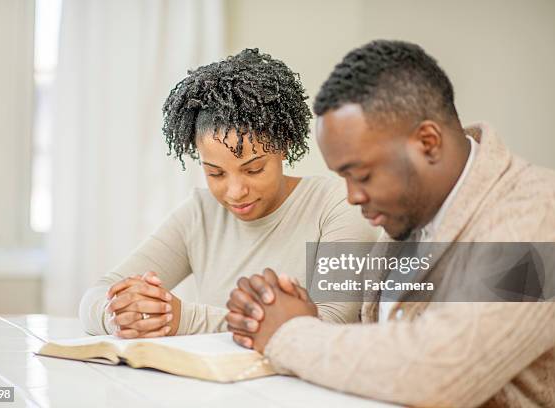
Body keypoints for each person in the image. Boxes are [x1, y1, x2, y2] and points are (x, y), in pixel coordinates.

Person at [226, 40, 555, 407]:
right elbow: (388, 349)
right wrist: (301, 317)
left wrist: (291, 332)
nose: (352, 196)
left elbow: (438, 372)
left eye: (363, 175)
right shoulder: (410, 215)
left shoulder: (540, 217)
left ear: (428, 142)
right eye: (343, 177)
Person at [78, 48, 378, 339]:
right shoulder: (200, 214)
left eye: (254, 169)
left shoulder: (338, 204)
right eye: (215, 173)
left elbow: (330, 324)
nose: (235, 192)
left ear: (284, 145)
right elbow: (96, 295)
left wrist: (185, 319)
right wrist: (118, 313)